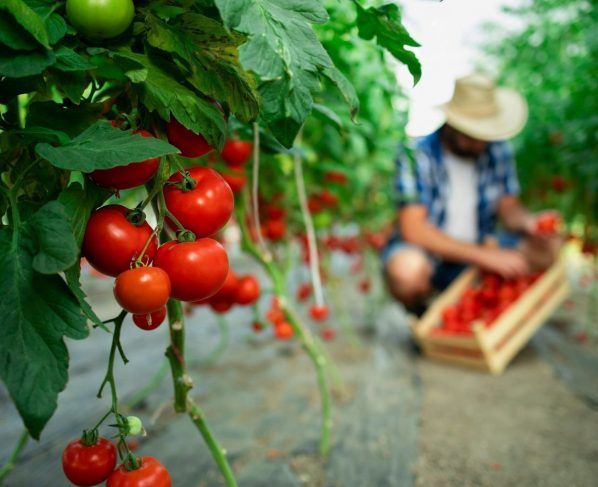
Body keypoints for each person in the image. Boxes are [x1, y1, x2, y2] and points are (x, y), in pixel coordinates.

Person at [383, 74, 561, 313]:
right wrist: (484, 257)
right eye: (472, 135)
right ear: (453, 124)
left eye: (485, 135)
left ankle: (488, 306)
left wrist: (528, 222)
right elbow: (413, 229)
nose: (481, 144)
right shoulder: (415, 155)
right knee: (406, 271)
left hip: (481, 248)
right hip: (432, 257)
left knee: (550, 247)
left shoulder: (497, 150)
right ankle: (425, 312)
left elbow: (508, 208)